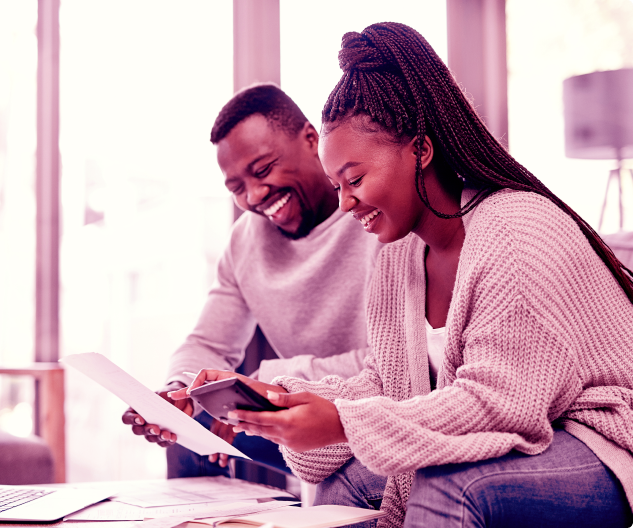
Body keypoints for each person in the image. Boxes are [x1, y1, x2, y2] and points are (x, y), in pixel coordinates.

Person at [172, 23, 633, 528]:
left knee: (448, 484)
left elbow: (500, 406)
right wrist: (276, 399)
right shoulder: (398, 255)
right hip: (534, 428)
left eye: (355, 180)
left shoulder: (515, 229)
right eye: (336, 185)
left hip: (602, 438)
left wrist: (342, 422)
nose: (346, 204)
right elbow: (388, 386)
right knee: (341, 480)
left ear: (421, 149)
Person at [122, 83, 384, 479]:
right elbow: (208, 343)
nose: (255, 195)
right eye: (236, 188)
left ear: (311, 139)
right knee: (190, 438)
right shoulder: (246, 240)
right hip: (289, 408)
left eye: (262, 170)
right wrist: (179, 395)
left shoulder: (375, 215)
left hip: (367, 413)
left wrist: (263, 385)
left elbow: (390, 365)